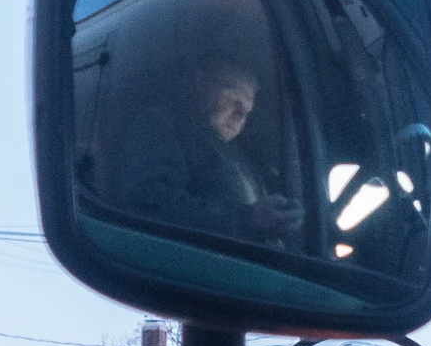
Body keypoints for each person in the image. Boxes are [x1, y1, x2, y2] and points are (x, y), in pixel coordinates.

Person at [116, 58, 304, 248]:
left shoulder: (242, 155)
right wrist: (248, 219)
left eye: (247, 112)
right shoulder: (160, 126)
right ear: (201, 83)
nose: (241, 117)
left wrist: (285, 214)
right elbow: (149, 204)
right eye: (234, 101)